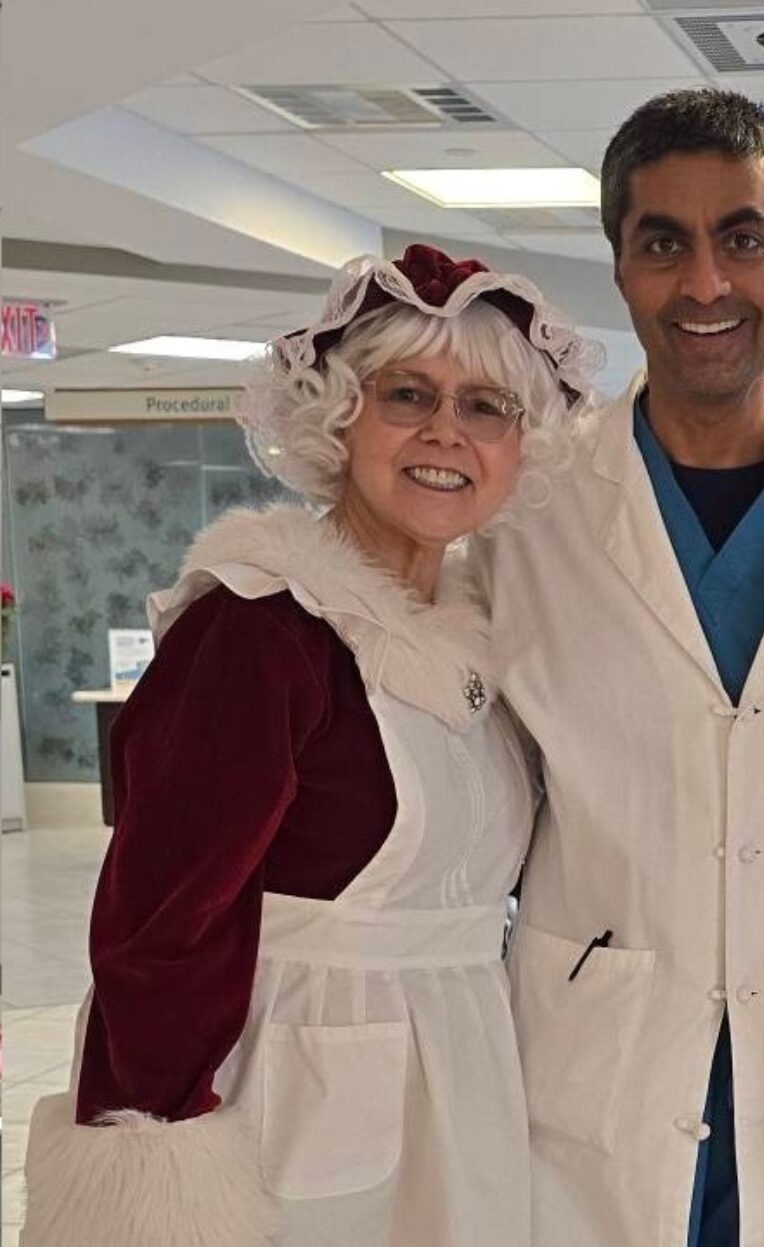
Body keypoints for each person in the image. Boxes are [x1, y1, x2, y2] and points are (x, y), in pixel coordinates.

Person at [21, 244, 597, 1247]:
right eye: (406, 394)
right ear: (337, 415)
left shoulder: (487, 643)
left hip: (463, 1084)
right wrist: (157, 1152)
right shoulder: (258, 629)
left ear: (521, 447)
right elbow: (156, 927)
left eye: (484, 407)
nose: (443, 433)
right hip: (290, 1094)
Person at [476, 89, 764, 1247]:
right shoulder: (526, 509)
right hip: (602, 1057)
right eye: (661, 243)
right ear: (620, 266)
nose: (704, 285)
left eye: (741, 236)